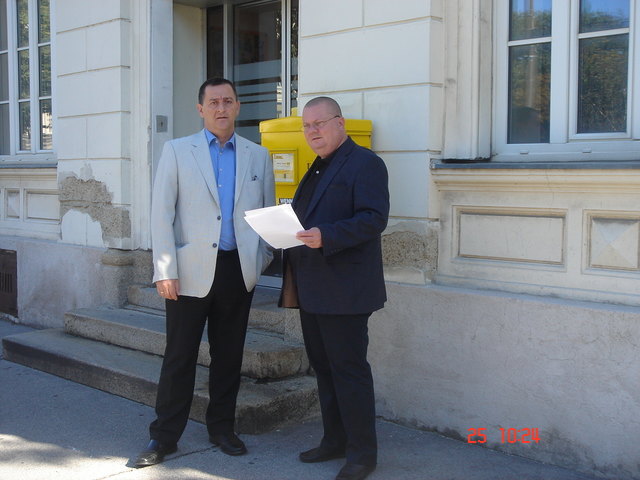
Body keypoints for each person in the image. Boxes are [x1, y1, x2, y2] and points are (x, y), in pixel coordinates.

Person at [134, 78, 275, 468]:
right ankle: (163, 437)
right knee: (179, 357)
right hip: (188, 273)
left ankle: (222, 429)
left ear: (238, 106)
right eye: (213, 102)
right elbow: (161, 214)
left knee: (229, 357)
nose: (221, 108)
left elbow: (265, 215)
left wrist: (259, 260)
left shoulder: (257, 156)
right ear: (200, 109)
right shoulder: (178, 151)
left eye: (227, 101)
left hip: (236, 271)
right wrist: (164, 269)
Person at [280, 97, 390, 480]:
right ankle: (334, 441)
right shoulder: (317, 167)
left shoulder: (366, 163)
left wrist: (326, 234)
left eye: (319, 124)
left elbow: (374, 219)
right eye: (307, 126)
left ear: (340, 123)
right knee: (324, 370)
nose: (312, 132)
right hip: (313, 287)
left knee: (349, 372)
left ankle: (362, 455)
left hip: (345, 291)